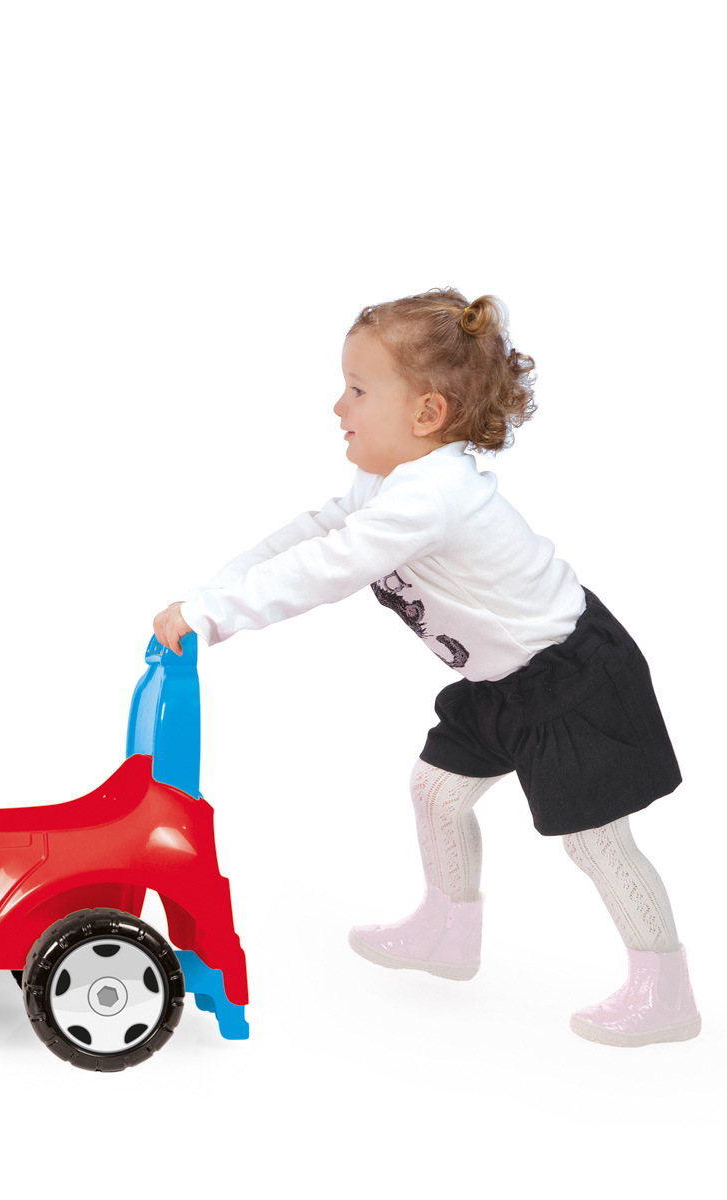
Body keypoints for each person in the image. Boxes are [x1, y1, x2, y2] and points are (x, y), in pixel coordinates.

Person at [153, 288, 699, 1047]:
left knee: (595, 841)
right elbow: (314, 533)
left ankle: (665, 991)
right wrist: (208, 597)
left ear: (427, 414)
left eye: (357, 389)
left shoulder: (433, 496)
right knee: (437, 792)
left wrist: (216, 617)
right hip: (500, 682)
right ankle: (449, 932)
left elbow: (330, 568)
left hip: (569, 682)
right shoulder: (390, 480)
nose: (337, 405)